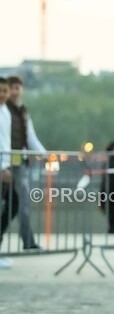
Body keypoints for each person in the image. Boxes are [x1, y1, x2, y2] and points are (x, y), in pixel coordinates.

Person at [6, 76, 46, 250]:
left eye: (18, 87)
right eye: (12, 88)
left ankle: (28, 240)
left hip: (18, 161)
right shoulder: (4, 110)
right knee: (14, 203)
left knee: (23, 203)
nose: (15, 91)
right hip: (6, 161)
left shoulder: (23, 112)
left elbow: (30, 136)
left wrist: (43, 153)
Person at [0, 77, 14, 269]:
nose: (3, 94)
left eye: (5, 90)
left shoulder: (6, 111)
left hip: (6, 165)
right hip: (1, 166)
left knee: (12, 203)